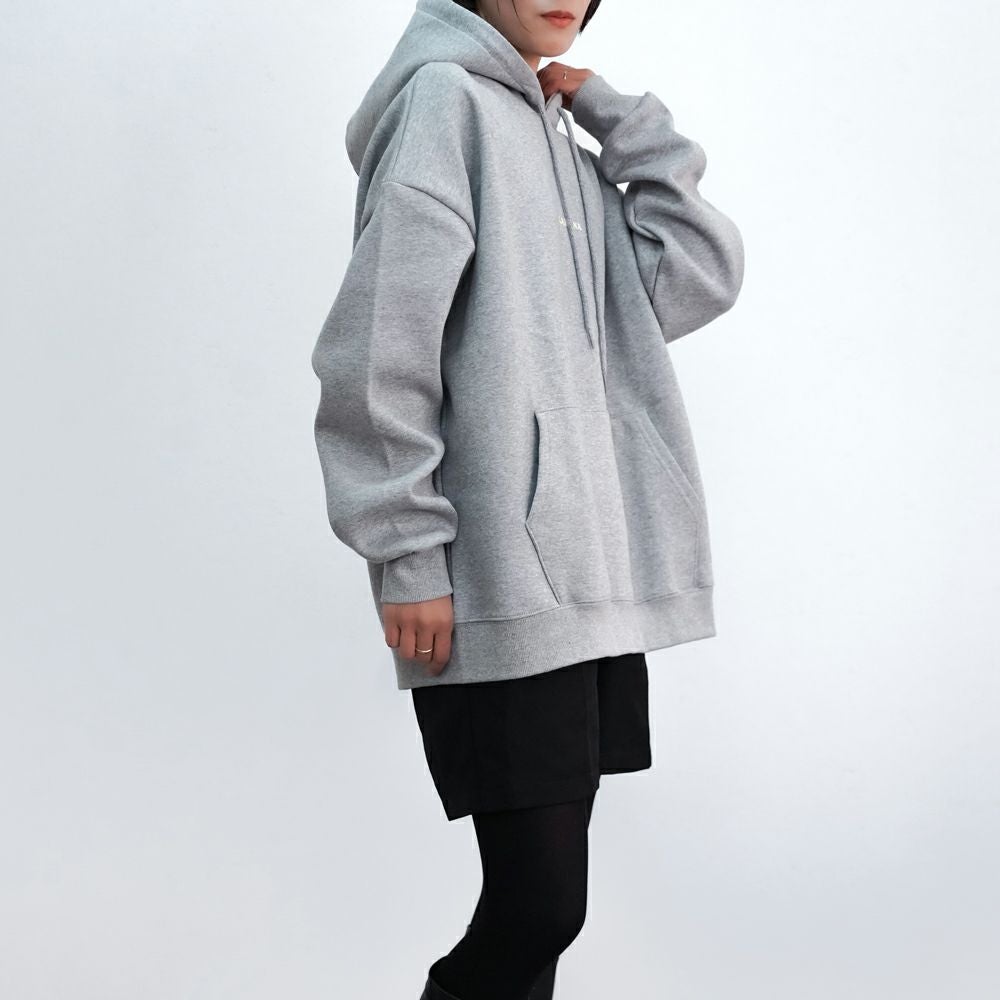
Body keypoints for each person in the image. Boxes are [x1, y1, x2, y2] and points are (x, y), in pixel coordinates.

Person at [309, 1, 745, 996]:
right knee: (536, 906)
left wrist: (623, 121)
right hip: (497, 575)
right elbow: (375, 351)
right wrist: (408, 555)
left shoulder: (556, 140)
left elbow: (697, 276)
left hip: (585, 579)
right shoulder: (443, 104)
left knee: (547, 917)